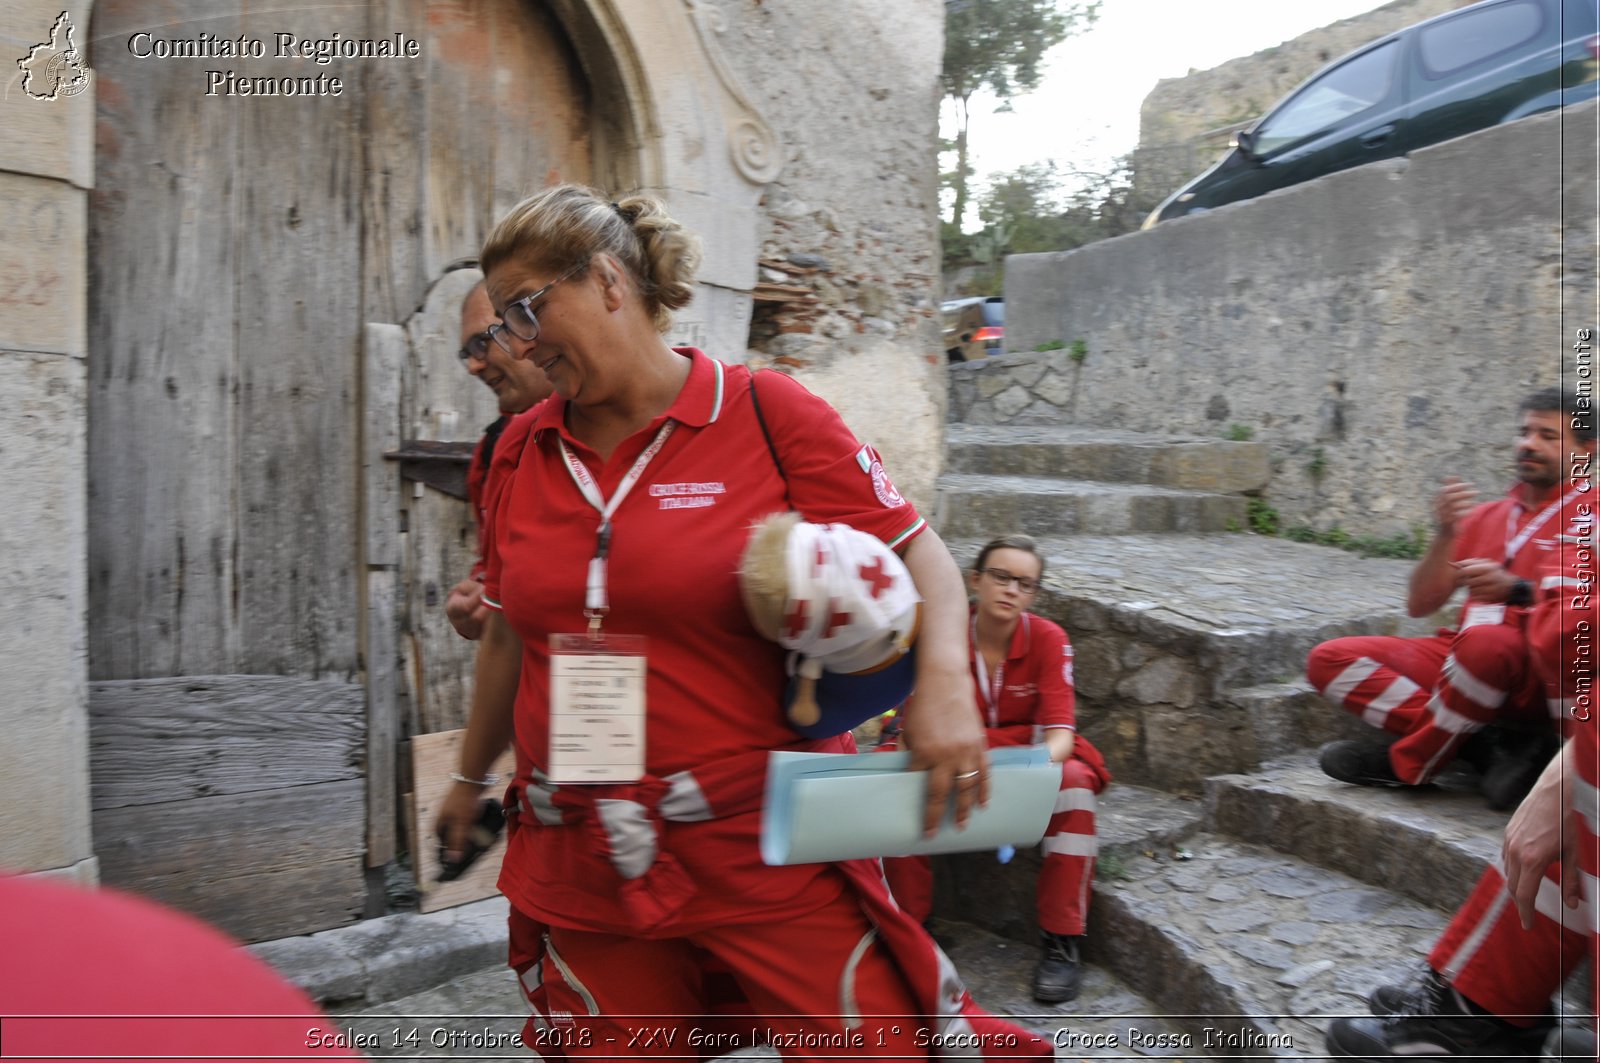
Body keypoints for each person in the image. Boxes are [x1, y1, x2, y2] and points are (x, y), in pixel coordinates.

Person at [434, 184, 1050, 1059]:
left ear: (610, 280)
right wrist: (467, 777)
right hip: (582, 846)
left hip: (760, 845)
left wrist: (944, 687)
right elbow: (507, 630)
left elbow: (926, 559)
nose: (517, 343)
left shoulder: (764, 412)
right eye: (506, 322)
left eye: (529, 309)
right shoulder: (519, 452)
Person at [1308, 390, 1594, 806]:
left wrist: (1518, 591)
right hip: (1462, 654)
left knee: (1488, 643)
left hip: (1541, 671)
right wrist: (1444, 533)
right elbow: (1420, 604)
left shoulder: (1594, 516)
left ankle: (1411, 762)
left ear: (1587, 450)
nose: (1528, 444)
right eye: (1524, 432)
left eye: (1548, 436)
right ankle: (1478, 745)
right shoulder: (1488, 515)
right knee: (1329, 660)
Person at [881, 535, 1110, 1005]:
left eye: (1025, 584)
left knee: (1075, 785)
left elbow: (1061, 736)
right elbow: (912, 733)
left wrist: (1017, 762)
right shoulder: (939, 635)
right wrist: (1009, 742)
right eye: (1001, 577)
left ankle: (1062, 942)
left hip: (1019, 763)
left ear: (1034, 595)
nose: (1011, 590)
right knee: (890, 777)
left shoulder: (1048, 639)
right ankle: (911, 933)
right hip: (955, 754)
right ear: (976, 580)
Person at [445, 274, 554, 641]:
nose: (474, 367)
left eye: (481, 343)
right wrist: (476, 596)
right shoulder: (495, 449)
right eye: (467, 354)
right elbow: (491, 567)